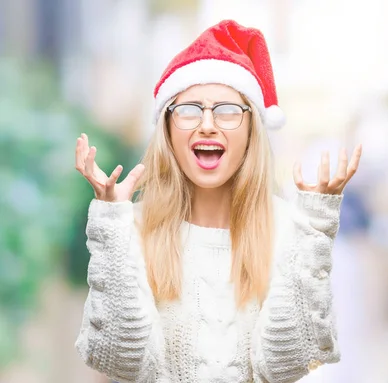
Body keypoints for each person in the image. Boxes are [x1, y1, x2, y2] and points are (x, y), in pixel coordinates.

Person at [73, 20, 361, 383]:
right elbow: (121, 359)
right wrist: (111, 224)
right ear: (167, 128)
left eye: (226, 110)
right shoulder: (131, 228)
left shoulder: (289, 227)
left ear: (251, 129)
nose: (207, 124)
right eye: (189, 110)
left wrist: (315, 224)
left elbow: (285, 364)